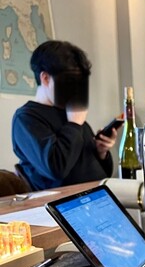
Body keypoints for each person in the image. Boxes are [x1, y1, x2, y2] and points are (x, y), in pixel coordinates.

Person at [12, 40, 115, 191]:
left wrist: (101, 152)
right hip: (63, 201)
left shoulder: (70, 113)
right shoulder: (26, 118)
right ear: (45, 78)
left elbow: (101, 171)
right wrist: (74, 124)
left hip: (98, 194)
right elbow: (56, 169)